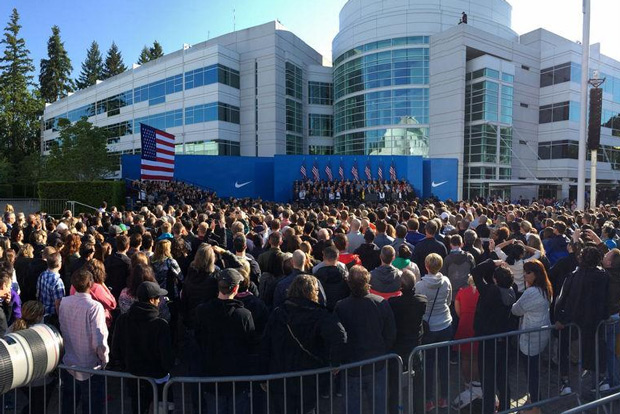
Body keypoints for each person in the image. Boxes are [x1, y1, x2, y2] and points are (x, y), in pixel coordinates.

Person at [261, 274, 346, 414]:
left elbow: (266, 344)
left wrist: (263, 374)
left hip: (281, 376)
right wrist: (335, 362)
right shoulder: (320, 314)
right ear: (313, 293)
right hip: (309, 377)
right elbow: (339, 336)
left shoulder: (279, 313)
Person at [195, 268, 258, 413]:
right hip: (237, 377)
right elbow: (251, 343)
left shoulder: (202, 311)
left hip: (212, 375)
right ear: (236, 288)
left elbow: (198, 338)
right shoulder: (244, 315)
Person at [335, 265, 396, 414]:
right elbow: (391, 333)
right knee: (377, 406)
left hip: (354, 365)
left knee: (354, 407)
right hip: (374, 363)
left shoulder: (341, 306)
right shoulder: (380, 303)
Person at [112, 281, 174, 414]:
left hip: (134, 377)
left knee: (138, 408)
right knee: (163, 409)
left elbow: (116, 350)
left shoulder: (123, 320)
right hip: (158, 380)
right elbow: (167, 358)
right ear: (152, 300)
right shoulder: (160, 325)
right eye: (158, 298)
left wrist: (126, 366)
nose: (160, 301)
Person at [555, 246, 610, 394]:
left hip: (573, 320)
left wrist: (558, 318)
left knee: (565, 350)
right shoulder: (604, 276)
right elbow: (607, 299)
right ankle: (599, 379)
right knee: (596, 347)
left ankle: (565, 381)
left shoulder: (573, 276)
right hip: (595, 320)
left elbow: (562, 298)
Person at [59, 267, 109, 414]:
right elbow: (98, 339)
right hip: (90, 366)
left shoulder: (64, 302)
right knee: (92, 406)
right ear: (91, 285)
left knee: (69, 404)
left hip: (69, 362)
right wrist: (104, 359)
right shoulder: (94, 307)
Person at [471, 258, 516, 414]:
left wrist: (492, 262)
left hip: (488, 340)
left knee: (488, 379)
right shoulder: (512, 292)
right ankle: (505, 408)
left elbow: (476, 272)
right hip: (504, 340)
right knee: (503, 378)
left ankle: (489, 409)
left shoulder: (491, 292)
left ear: (495, 280)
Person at [511, 260, 553, 414]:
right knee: (533, 370)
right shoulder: (546, 288)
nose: (524, 275)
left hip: (531, 336)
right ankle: (534, 400)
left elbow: (516, 310)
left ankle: (535, 406)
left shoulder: (532, 292)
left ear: (536, 274)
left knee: (531, 372)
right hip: (540, 334)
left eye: (527, 272)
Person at [414, 253, 453, 411]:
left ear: (426, 266)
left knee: (428, 364)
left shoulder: (420, 285)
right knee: (444, 363)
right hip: (445, 323)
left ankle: (429, 399)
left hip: (429, 326)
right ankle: (444, 397)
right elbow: (448, 301)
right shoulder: (446, 281)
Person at [70, 259, 116, 327]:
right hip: (96, 322)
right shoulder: (97, 288)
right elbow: (112, 304)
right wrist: (103, 285)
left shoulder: (74, 284)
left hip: (78, 319)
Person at [313, 245, 350, 311]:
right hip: (341, 306)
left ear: (324, 257)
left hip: (325, 308)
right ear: (338, 257)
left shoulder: (316, 271)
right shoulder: (343, 270)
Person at [36, 250, 65, 317]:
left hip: (42, 312)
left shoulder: (42, 275)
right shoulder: (58, 282)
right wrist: (60, 318)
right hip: (52, 315)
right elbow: (58, 304)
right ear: (59, 264)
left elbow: (38, 293)